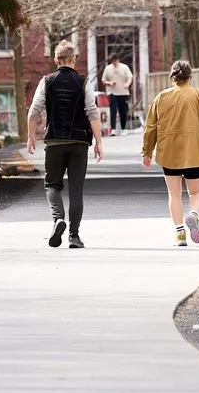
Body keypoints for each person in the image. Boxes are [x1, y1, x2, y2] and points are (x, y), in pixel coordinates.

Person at [140, 60, 199, 246]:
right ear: (190, 76)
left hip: (169, 152)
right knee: (196, 193)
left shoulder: (161, 97)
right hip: (195, 151)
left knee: (174, 195)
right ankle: (193, 215)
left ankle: (180, 233)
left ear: (172, 76)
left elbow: (150, 128)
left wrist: (147, 152)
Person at [27, 39, 102, 248]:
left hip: (55, 142)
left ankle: (57, 218)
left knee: (52, 184)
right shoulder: (83, 82)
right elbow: (92, 113)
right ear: (74, 60)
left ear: (55, 60)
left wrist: (31, 136)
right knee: (76, 190)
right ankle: (74, 236)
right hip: (79, 142)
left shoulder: (47, 81)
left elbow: (34, 110)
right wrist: (98, 142)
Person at [101, 53, 135, 133]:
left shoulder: (124, 67)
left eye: (115, 61)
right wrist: (109, 83)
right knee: (113, 111)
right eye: (113, 61)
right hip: (113, 92)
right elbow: (103, 80)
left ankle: (123, 128)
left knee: (123, 111)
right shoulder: (108, 68)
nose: (114, 63)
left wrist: (127, 84)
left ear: (118, 60)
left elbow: (129, 77)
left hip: (123, 92)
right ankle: (113, 129)